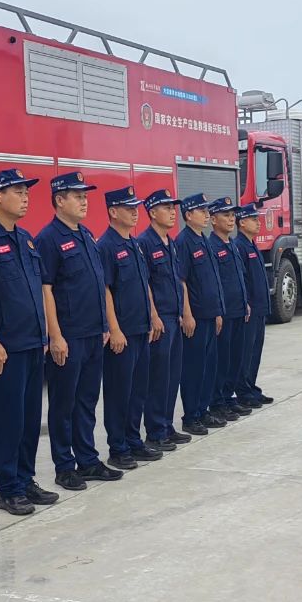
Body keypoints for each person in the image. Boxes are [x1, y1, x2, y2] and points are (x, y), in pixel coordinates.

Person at [0, 168, 60, 516]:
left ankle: (25, 479)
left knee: (27, 418)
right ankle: (8, 488)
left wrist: (46, 334)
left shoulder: (25, 238)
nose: (25, 198)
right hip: (6, 347)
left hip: (31, 343)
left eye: (27, 192)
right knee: (7, 419)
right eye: (18, 192)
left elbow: (38, 289)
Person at [36, 171, 124, 489]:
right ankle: (64, 465)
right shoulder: (48, 239)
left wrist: (103, 325)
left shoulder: (87, 236)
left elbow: (98, 284)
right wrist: (55, 336)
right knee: (63, 403)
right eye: (78, 196)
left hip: (91, 334)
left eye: (85, 196)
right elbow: (46, 289)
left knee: (86, 400)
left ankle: (87, 459)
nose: (85, 201)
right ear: (60, 200)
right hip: (68, 336)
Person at [98, 185, 165, 471]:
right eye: (128, 208)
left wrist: (152, 316)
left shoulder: (134, 244)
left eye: (136, 208)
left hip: (140, 328)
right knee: (118, 392)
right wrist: (114, 328)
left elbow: (144, 284)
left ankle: (133, 439)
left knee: (138, 389)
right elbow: (106, 290)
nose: (135, 213)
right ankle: (118, 446)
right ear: (113, 212)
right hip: (122, 332)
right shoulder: (106, 245)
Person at [137, 189, 191, 450]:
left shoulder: (170, 242)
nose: (172, 212)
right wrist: (154, 315)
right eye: (166, 208)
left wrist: (183, 312)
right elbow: (145, 282)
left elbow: (178, 280)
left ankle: (167, 425)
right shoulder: (145, 242)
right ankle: (155, 431)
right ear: (152, 213)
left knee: (172, 375)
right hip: (160, 321)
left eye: (173, 208)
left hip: (175, 317)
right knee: (157, 377)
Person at [174, 193, 225, 435]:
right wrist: (187, 314)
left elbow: (211, 279)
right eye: (201, 211)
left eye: (207, 211)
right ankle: (191, 415)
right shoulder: (184, 241)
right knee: (193, 369)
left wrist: (217, 312)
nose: (206, 215)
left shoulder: (202, 239)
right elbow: (181, 281)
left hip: (209, 314)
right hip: (195, 317)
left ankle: (203, 410)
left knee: (208, 367)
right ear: (188, 215)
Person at [206, 197, 252, 421]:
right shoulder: (212, 246)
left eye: (233, 215)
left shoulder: (232, 244)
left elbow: (239, 277)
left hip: (238, 310)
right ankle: (217, 401)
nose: (231, 219)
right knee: (221, 360)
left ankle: (228, 396)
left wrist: (245, 303)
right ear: (213, 220)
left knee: (235, 358)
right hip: (224, 313)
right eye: (226, 215)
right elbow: (214, 282)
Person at [232, 203, 274, 407]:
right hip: (250, 309)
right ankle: (243, 391)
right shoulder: (239, 245)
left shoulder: (251, 243)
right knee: (246, 352)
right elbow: (242, 279)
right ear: (242, 223)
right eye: (253, 219)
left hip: (259, 308)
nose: (258, 223)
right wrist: (246, 304)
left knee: (255, 350)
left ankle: (251, 386)